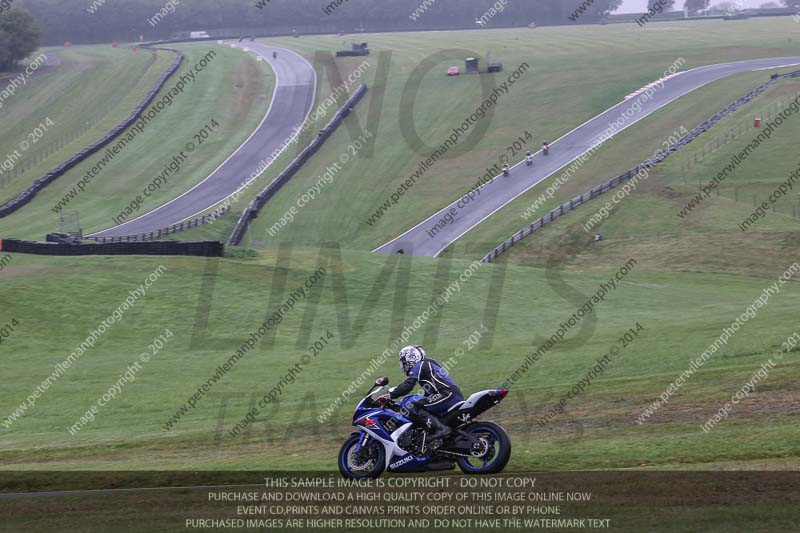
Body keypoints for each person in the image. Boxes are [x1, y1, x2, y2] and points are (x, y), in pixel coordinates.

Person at [376, 345, 464, 440]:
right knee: (421, 403)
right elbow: (431, 389)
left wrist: (391, 395)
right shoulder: (428, 364)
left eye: (403, 361)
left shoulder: (420, 364)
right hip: (449, 394)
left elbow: (409, 385)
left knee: (413, 406)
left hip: (446, 394)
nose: (403, 365)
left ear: (411, 358)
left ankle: (441, 429)